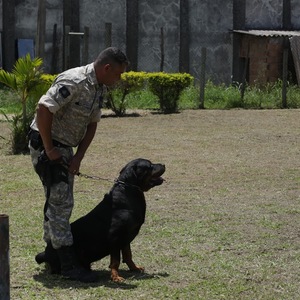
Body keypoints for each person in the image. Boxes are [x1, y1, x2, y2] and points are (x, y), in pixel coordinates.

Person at [28, 47, 129, 282]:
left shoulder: (98, 87)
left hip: (64, 148)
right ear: (107, 68)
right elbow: (44, 108)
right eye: (119, 74)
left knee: (56, 199)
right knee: (61, 203)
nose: (120, 78)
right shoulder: (75, 81)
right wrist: (49, 149)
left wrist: (78, 156)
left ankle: (51, 252)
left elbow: (92, 123)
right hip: (47, 145)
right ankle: (67, 266)